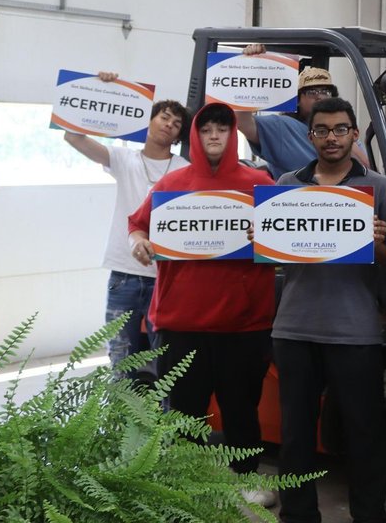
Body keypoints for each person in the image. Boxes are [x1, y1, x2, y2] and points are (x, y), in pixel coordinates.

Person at [127, 102, 278, 508]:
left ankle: (246, 476)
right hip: (181, 322)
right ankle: (186, 482)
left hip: (243, 323)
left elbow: (284, 238)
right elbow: (137, 223)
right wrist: (138, 242)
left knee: (242, 407)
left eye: (222, 129)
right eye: (207, 128)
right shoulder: (171, 184)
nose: (214, 135)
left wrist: (267, 236)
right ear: (195, 134)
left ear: (232, 134)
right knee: (184, 411)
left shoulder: (259, 183)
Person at [271, 96, 386, 523]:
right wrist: (265, 237)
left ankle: (369, 516)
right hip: (294, 329)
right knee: (295, 435)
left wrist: (376, 244)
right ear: (310, 135)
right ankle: (297, 516)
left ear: (352, 134)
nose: (331, 138)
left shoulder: (379, 189)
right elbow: (274, 257)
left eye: (339, 130)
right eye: (322, 130)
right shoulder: (286, 185)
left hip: (355, 331)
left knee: (364, 432)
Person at [61, 72, 189, 379]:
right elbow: (73, 137)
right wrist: (102, 87)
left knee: (167, 365)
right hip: (124, 274)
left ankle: (162, 413)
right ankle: (121, 412)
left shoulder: (185, 169)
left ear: (179, 135)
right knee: (121, 361)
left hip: (166, 277)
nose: (169, 125)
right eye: (164, 117)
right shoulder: (122, 158)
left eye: (176, 123)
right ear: (150, 121)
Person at [235, 45, 368, 178]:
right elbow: (242, 121)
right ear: (297, 100)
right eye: (311, 92)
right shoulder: (282, 127)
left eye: (325, 92)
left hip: (341, 190)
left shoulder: (344, 131)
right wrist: (252, 66)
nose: (319, 97)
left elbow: (366, 169)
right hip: (295, 191)